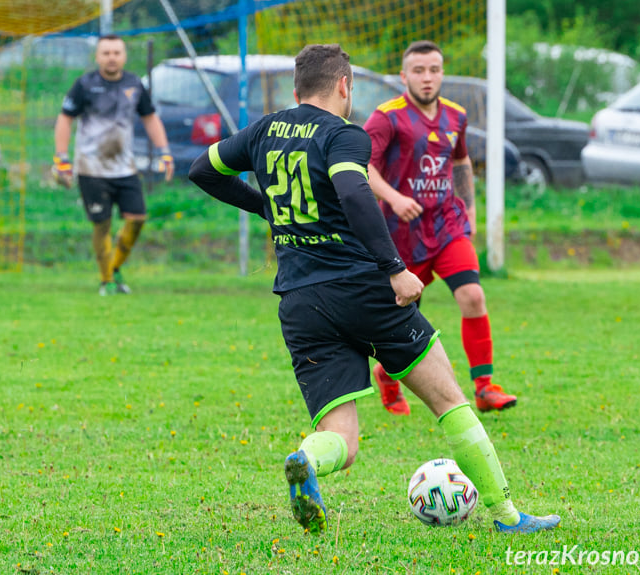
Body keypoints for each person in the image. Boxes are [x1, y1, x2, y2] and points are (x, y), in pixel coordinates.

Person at [188, 43, 560, 535]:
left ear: (296, 88)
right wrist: (394, 268)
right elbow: (353, 191)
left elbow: (202, 170)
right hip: (361, 290)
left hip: (300, 302)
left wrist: (266, 207)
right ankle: (509, 516)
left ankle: (306, 460)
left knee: (342, 438)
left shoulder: (263, 131)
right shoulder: (344, 136)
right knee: (449, 399)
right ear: (345, 85)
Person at [363, 40, 517, 415]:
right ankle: (386, 374)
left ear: (442, 73)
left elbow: (462, 162)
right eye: (418, 71)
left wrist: (471, 212)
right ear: (404, 76)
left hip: (447, 226)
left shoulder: (456, 116)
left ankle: (484, 388)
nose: (427, 78)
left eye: (434, 69)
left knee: (473, 297)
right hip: (402, 235)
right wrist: (395, 199)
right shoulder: (387, 117)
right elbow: (363, 167)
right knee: (403, 313)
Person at [52, 34, 174, 296]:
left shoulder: (134, 84)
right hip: (91, 170)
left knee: (138, 219)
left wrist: (165, 153)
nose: (111, 57)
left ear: (124, 56)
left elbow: (150, 117)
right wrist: (61, 159)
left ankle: (115, 267)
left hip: (124, 168)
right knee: (102, 225)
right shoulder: (84, 85)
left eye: (116, 52)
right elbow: (65, 119)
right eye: (106, 53)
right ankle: (106, 280)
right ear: (97, 57)